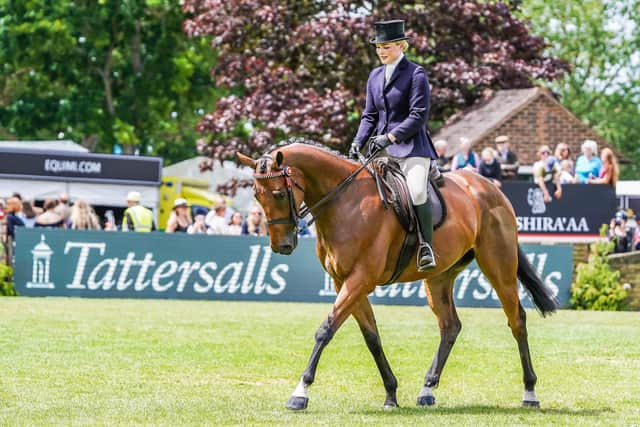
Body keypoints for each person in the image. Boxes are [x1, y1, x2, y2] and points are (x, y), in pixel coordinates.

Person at [349, 20, 439, 270]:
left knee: (417, 191)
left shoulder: (416, 73)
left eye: (386, 46)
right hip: (381, 151)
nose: (380, 51)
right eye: (378, 47)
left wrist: (389, 137)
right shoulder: (375, 76)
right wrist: (358, 140)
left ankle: (426, 247)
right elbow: (369, 116)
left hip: (412, 149)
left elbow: (418, 115)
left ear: (402, 45)